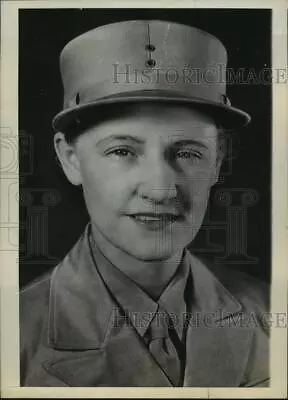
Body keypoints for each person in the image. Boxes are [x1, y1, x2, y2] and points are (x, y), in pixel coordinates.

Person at [20, 19, 269, 387]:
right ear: (71, 158)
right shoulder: (15, 335)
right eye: (122, 151)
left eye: (188, 152)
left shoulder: (269, 309)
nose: (161, 189)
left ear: (217, 162)